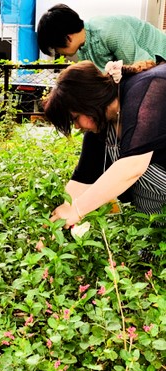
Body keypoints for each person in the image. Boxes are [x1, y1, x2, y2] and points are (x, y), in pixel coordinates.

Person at [41, 59, 166, 240]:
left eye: (75, 118)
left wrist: (77, 210)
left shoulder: (149, 89)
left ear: (88, 103)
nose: (76, 127)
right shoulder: (102, 123)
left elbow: (132, 167)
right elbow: (82, 180)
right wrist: (52, 228)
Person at [37, 4, 166, 71]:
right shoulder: (83, 48)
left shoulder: (109, 31)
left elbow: (142, 68)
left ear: (68, 38)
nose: (59, 53)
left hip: (158, 59)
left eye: (56, 48)